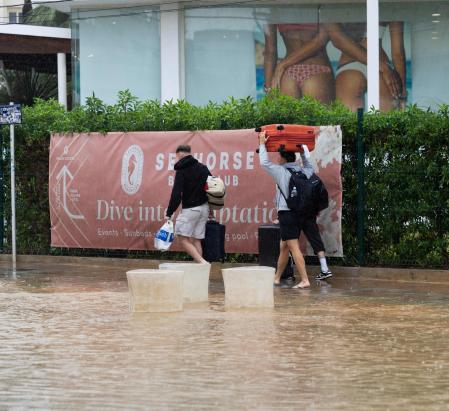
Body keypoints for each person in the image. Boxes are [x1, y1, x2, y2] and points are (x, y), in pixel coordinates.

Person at [258, 131, 332, 288]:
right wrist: (303, 155)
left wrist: (261, 143)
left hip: (287, 214)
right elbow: (310, 167)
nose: (277, 158)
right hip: (300, 213)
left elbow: (264, 163)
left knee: (292, 246)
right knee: (284, 246)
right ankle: (276, 278)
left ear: (282, 158)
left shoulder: (281, 171)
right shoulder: (303, 171)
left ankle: (304, 280)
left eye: (279, 156)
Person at [326, 22, 406, 112]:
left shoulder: (340, 7)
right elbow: (398, 54)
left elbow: (337, 39)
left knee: (354, 124)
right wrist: (402, 94)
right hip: (383, 70)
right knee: (385, 124)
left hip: (350, 67)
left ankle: (359, 123)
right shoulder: (390, 7)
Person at [264, 23, 335, 104]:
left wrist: (269, 90)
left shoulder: (275, 11)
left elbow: (270, 51)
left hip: (287, 74)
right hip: (317, 67)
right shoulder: (313, 9)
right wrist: (282, 65)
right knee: (322, 116)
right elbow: (322, 38)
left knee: (288, 117)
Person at [165, 145, 211, 264]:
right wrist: (211, 210)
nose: (176, 160)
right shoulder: (203, 168)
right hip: (204, 208)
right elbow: (212, 188)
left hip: (190, 210)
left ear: (180, 155)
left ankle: (202, 263)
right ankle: (199, 271)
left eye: (177, 158)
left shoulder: (181, 170)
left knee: (182, 238)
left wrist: (170, 212)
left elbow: (176, 194)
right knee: (196, 240)